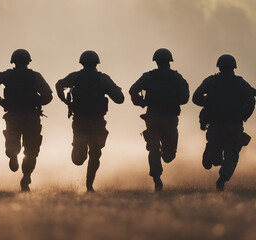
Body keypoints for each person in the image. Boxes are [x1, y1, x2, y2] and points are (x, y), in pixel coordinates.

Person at [55, 50, 124, 192]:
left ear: (82, 63)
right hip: (97, 122)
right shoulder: (102, 79)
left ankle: (79, 149)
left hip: (80, 121)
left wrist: (65, 102)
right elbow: (120, 99)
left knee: (79, 157)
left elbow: (58, 84)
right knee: (95, 153)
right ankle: (89, 185)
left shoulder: (75, 77)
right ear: (96, 63)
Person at [0, 49, 53, 192]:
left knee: (12, 142)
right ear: (28, 61)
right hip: (31, 116)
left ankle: (13, 156)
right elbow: (48, 95)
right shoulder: (35, 76)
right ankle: (26, 176)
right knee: (31, 150)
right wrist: (36, 101)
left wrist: (1, 101)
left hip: (13, 116)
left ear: (13, 61)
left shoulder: (7, 75)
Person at [129, 48, 189, 192]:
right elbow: (185, 98)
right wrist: (174, 102)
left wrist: (141, 102)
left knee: (153, 148)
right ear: (169, 61)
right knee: (169, 156)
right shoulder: (176, 77)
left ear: (156, 62)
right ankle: (157, 175)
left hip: (153, 118)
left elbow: (132, 90)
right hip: (170, 119)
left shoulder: (148, 77)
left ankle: (156, 177)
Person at [192, 54, 254, 191]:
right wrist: (244, 115)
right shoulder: (240, 83)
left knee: (211, 155)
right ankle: (222, 180)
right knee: (231, 156)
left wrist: (208, 103)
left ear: (219, 67)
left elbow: (196, 98)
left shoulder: (211, 81)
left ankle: (214, 158)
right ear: (234, 68)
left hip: (215, 126)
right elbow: (251, 99)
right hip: (234, 126)